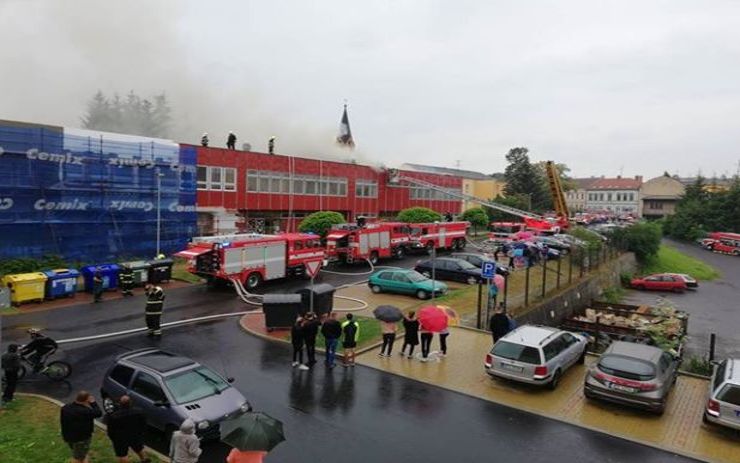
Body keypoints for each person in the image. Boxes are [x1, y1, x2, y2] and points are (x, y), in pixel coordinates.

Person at [60, 391, 103, 463]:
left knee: (81, 454)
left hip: (68, 436)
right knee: (77, 458)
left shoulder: (65, 408)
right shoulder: (85, 411)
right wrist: (93, 403)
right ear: (86, 400)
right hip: (81, 439)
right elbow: (98, 413)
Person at [105, 395, 149, 463]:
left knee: (122, 455)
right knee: (139, 449)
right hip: (135, 435)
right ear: (130, 402)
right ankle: (145, 460)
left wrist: (113, 439)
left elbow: (110, 430)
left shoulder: (114, 416)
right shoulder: (139, 412)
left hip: (120, 439)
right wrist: (140, 434)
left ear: (120, 404)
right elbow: (143, 424)